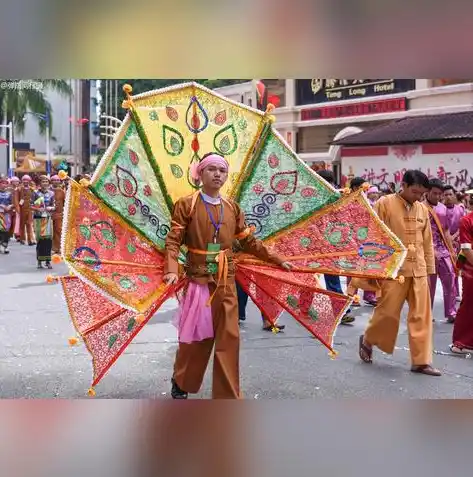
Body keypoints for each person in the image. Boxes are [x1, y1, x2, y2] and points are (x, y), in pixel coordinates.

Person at [163, 152, 293, 399]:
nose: (217, 174)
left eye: (221, 170)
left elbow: (249, 242)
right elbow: (173, 241)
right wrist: (171, 269)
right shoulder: (186, 204)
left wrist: (277, 259)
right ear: (199, 173)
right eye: (211, 169)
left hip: (226, 281)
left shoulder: (232, 207)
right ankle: (182, 380)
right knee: (196, 339)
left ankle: (227, 397)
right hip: (199, 281)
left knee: (229, 339)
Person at [359, 170, 441, 376]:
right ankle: (368, 338)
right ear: (402, 185)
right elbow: (373, 236)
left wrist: (430, 269)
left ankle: (421, 362)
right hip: (394, 269)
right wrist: (372, 268)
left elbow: (427, 242)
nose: (418, 197)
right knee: (387, 313)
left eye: (421, 194)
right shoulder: (384, 204)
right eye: (414, 192)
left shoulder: (423, 209)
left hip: (419, 270)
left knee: (422, 316)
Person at [317, 169, 355, 323]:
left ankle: (342, 311)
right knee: (308, 276)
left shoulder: (336, 196)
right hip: (314, 244)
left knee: (332, 279)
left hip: (329, 245)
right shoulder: (317, 196)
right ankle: (303, 306)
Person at [424, 179, 457, 323]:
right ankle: (426, 314)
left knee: (450, 279)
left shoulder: (443, 209)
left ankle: (451, 311)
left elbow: (446, 231)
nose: (437, 196)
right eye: (434, 193)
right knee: (429, 286)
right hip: (427, 251)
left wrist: (451, 251)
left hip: (443, 250)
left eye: (440, 194)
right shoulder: (420, 207)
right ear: (427, 192)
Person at [233, 239, 285, 331]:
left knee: (267, 287)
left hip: (263, 251)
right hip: (241, 254)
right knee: (239, 286)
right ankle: (234, 316)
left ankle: (269, 319)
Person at [450, 196, 473, 354]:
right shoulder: (466, 221)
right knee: (469, 304)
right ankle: (461, 342)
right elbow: (466, 249)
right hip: (471, 269)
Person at [31, 175, 55, 269]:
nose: (45, 183)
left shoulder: (52, 193)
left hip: (48, 218)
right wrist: (38, 209)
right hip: (38, 218)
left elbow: (54, 205)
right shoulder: (35, 193)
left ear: (49, 183)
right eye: (43, 181)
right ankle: (39, 261)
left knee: (48, 239)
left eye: (46, 181)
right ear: (40, 183)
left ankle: (48, 261)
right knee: (40, 240)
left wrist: (51, 208)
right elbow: (31, 205)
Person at [14, 175, 36, 245]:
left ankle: (30, 240)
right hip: (22, 209)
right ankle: (22, 239)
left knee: (29, 224)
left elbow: (35, 199)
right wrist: (17, 209)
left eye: (27, 180)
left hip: (29, 209)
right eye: (24, 180)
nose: (25, 181)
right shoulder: (19, 189)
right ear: (22, 181)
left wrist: (35, 207)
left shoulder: (32, 189)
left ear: (29, 181)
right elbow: (16, 200)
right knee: (22, 225)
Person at [51, 174, 66, 254]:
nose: (56, 182)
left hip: (59, 214)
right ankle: (52, 247)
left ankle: (59, 248)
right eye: (54, 180)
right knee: (50, 232)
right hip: (49, 214)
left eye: (57, 180)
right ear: (51, 181)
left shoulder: (61, 191)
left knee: (58, 231)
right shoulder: (49, 191)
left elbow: (65, 202)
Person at [0, 176, 14, 254]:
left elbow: (13, 203)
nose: (4, 185)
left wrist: (10, 206)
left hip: (6, 213)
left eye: (6, 183)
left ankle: (5, 246)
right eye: (2, 183)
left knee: (6, 229)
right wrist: (1, 205)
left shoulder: (9, 193)